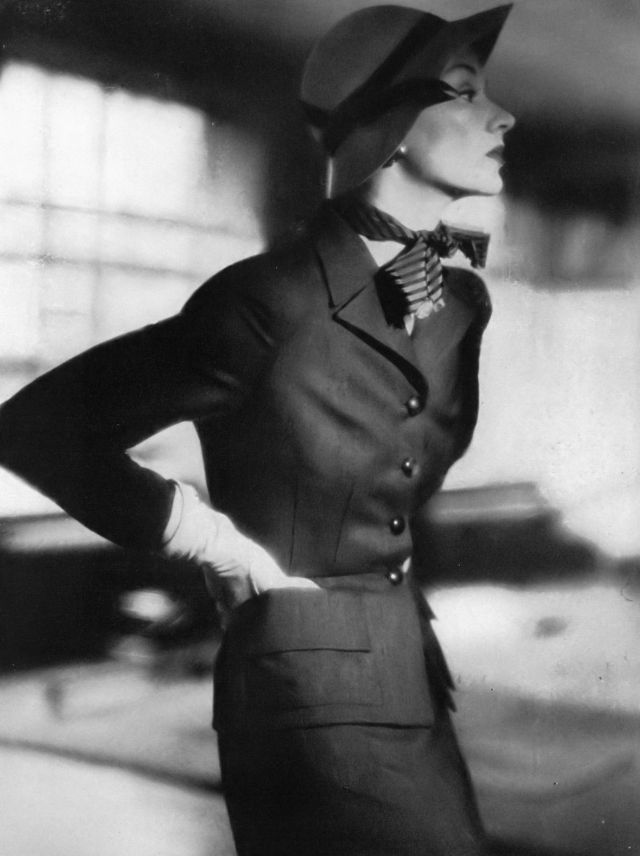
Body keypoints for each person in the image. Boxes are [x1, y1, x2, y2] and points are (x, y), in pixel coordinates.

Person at [0, 5, 516, 855]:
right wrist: (217, 545)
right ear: (386, 128)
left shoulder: (458, 302)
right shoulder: (266, 300)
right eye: (464, 91)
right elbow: (39, 427)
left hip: (409, 671)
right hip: (301, 684)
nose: (504, 116)